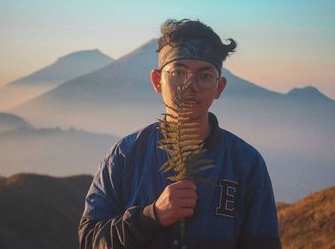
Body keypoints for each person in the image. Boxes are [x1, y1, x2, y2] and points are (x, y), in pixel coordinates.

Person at [78, 19, 281, 249]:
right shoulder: (125, 155)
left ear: (219, 87)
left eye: (204, 76)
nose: (189, 85)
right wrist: (151, 215)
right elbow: (89, 239)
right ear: (157, 81)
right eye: (178, 72)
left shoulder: (246, 163)